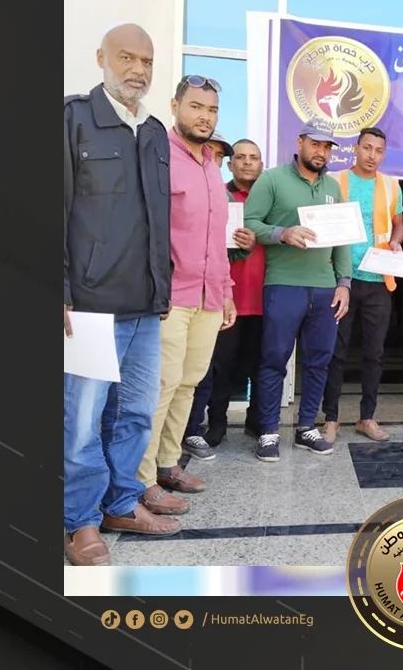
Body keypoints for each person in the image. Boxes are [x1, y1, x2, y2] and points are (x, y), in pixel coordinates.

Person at [63, 24, 179, 564]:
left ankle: (121, 503)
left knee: (134, 414)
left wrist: (162, 288)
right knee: (83, 423)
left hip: (144, 308)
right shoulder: (73, 119)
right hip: (88, 307)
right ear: (101, 57)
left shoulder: (154, 132)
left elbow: (158, 219)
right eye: (127, 57)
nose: (138, 69)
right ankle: (80, 522)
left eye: (146, 61)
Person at [137, 75, 237, 516]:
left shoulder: (213, 165)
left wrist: (227, 292)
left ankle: (167, 463)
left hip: (209, 297)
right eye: (196, 106)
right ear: (175, 105)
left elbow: (218, 239)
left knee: (188, 383)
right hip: (171, 297)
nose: (204, 116)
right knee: (160, 387)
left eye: (212, 110)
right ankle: (141, 481)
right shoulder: (160, 156)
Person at [244, 117, 352, 461]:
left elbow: (343, 240)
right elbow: (249, 223)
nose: (321, 152)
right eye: (315, 144)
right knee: (274, 359)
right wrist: (282, 233)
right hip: (283, 284)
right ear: (300, 142)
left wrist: (344, 283)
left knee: (319, 361)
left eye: (327, 147)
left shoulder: (333, 187)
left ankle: (307, 427)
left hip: (324, 288)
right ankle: (268, 431)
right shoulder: (272, 179)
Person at [321, 128, 403, 444]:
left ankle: (367, 417)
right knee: (336, 351)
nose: (372, 155)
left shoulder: (392, 185)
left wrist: (396, 242)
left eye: (378, 150)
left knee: (374, 353)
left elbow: (399, 227)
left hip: (378, 280)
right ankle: (331, 419)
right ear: (355, 148)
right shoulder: (335, 181)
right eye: (367, 148)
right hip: (341, 279)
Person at [184, 139, 263, 457]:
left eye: (253, 158)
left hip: (263, 298)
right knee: (219, 366)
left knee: (261, 365)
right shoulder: (217, 195)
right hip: (224, 298)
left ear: (261, 164)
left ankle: (257, 422)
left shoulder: (269, 198)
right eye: (240, 157)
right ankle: (216, 423)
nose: (247, 162)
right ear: (230, 165)